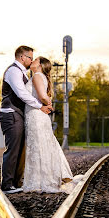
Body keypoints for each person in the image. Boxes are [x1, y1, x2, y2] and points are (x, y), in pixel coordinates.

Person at [0, 46, 53, 194]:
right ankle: (7, 184)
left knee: (20, 149)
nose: (31, 60)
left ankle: (15, 182)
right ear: (22, 57)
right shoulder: (13, 71)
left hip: (19, 114)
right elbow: (22, 93)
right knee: (13, 149)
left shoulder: (23, 73)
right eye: (30, 57)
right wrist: (39, 106)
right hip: (11, 113)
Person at [22, 56, 81, 193]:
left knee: (38, 146)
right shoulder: (41, 76)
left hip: (35, 115)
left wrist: (47, 102)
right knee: (42, 145)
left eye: (35, 60)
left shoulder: (37, 75)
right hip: (38, 115)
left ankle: (38, 181)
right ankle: (44, 179)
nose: (32, 61)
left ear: (40, 65)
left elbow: (42, 96)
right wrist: (48, 102)